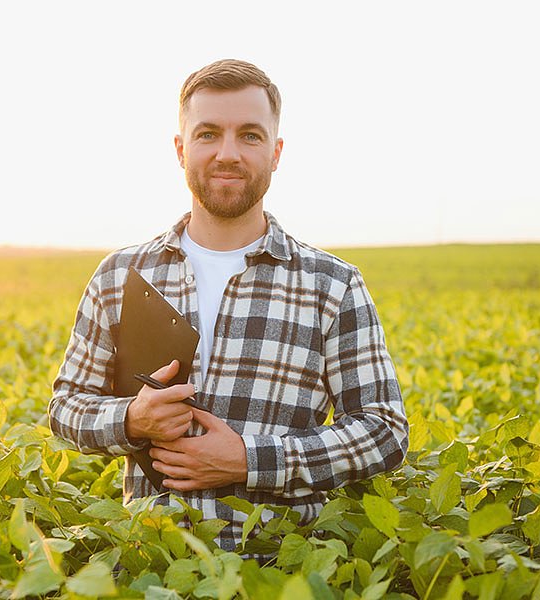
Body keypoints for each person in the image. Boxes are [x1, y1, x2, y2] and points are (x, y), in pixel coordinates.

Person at [49, 59, 408, 552]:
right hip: (148, 569)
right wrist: (133, 420)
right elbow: (67, 407)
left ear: (277, 152)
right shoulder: (120, 276)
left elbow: (384, 431)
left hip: (281, 570)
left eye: (250, 136)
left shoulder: (333, 285)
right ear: (180, 149)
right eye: (208, 134)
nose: (228, 153)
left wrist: (250, 459)